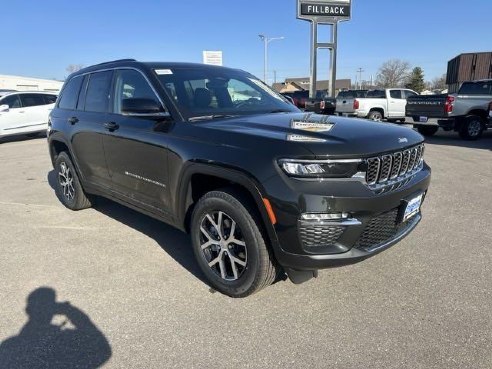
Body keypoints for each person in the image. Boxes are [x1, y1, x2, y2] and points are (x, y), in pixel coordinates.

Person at [0, 287, 111, 369]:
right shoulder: (65, 340)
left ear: (28, 309)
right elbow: (103, 350)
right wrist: (69, 310)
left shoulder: (8, 345)